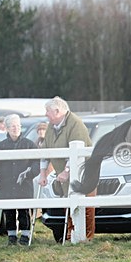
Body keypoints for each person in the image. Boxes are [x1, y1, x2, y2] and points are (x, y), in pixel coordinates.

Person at [37, 97, 95, 240]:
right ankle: (70, 236)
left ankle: (85, 239)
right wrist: (43, 174)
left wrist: (66, 171)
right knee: (68, 206)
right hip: (63, 175)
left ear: (57, 111)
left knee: (85, 207)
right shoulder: (51, 125)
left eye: (47, 111)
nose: (46, 114)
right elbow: (45, 151)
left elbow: (78, 150)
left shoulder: (76, 124)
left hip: (83, 174)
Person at [0, 115, 40, 245]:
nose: (16, 128)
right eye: (13, 126)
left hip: (24, 184)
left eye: (18, 126)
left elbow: (37, 162)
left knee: (24, 211)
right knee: (8, 211)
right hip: (7, 184)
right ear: (7, 128)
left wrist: (29, 174)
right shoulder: (1, 146)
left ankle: (25, 235)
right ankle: (11, 236)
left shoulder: (29, 144)